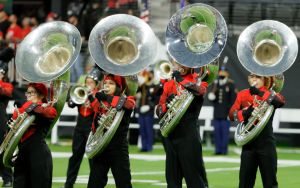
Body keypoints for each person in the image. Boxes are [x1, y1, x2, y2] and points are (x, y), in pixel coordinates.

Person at [156, 60, 209, 188]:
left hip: (189, 134)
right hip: (171, 134)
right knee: (172, 179)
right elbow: (158, 110)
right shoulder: (169, 84)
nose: (177, 66)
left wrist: (180, 80)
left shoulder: (197, 79)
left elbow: (200, 91)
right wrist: (166, 105)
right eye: (175, 64)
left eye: (180, 63)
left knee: (195, 178)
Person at [229, 73, 285, 188]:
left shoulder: (271, 93)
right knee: (245, 183)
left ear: (265, 79)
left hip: (266, 143)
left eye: (258, 77)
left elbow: (280, 102)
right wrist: (244, 113)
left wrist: (259, 93)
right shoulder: (242, 94)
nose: (254, 79)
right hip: (248, 145)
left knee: (270, 183)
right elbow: (231, 115)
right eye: (251, 76)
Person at [87, 74, 135, 188]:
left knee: (124, 184)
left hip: (118, 148)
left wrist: (105, 97)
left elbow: (128, 105)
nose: (107, 86)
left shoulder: (127, 99)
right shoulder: (100, 102)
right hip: (101, 147)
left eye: (111, 83)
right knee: (94, 184)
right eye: (105, 83)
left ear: (118, 86)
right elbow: (94, 123)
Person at [63, 67, 103, 188]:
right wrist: (74, 99)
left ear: (96, 84)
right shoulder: (82, 92)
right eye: (87, 82)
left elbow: (98, 108)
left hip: (92, 129)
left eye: (91, 82)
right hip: (80, 127)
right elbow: (71, 104)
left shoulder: (99, 95)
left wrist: (90, 96)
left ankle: (94, 185)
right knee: (75, 157)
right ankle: (69, 184)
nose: (88, 84)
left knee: (93, 158)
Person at [12, 83, 57, 188]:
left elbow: (51, 113)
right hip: (22, 155)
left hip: (39, 156)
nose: (28, 95)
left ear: (41, 96)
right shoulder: (21, 110)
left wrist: (30, 105)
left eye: (32, 92)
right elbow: (16, 117)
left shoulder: (47, 108)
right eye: (27, 92)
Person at [208, 66, 237, 155]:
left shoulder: (230, 84)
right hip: (217, 113)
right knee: (217, 132)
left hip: (226, 113)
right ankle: (218, 150)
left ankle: (224, 150)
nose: (222, 74)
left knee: (224, 133)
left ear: (227, 74)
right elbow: (212, 99)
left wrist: (230, 113)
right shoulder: (216, 84)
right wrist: (212, 93)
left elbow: (233, 100)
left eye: (224, 72)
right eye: (220, 72)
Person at [0, 47, 14, 187]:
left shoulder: (7, 85)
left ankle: (8, 177)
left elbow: (6, 93)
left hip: (0, 121)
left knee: (2, 149)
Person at [136, 70, 159, 152]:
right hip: (141, 110)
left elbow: (156, 99)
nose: (148, 76)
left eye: (150, 75)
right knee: (142, 129)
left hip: (149, 111)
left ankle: (149, 146)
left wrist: (150, 106)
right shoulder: (143, 86)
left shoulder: (154, 86)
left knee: (148, 129)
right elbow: (137, 92)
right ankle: (144, 146)